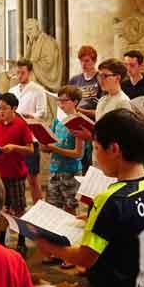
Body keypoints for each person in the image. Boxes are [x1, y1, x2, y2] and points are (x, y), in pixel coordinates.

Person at [36, 109, 144, 287]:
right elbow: (142, 233)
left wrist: (49, 246)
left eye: (96, 148)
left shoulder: (110, 200)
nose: (96, 155)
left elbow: (86, 257)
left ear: (114, 149)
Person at [41, 85, 86, 268]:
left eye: (64, 100)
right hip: (55, 169)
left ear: (74, 102)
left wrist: (54, 149)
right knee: (54, 211)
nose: (60, 104)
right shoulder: (57, 121)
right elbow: (49, 144)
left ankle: (70, 253)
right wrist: (45, 145)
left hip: (70, 171)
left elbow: (78, 153)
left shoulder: (78, 122)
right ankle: (56, 250)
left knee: (69, 212)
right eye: (59, 100)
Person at [0, 93, 35, 253]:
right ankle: (1, 240)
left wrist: (15, 147)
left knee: (18, 208)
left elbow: (30, 149)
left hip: (16, 174)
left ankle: (21, 241)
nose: (1, 112)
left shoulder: (21, 125)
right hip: (0, 172)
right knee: (3, 208)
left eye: (4, 108)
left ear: (14, 108)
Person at [9, 58, 49, 204]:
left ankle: (38, 211)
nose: (20, 76)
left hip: (30, 138)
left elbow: (42, 113)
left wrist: (30, 116)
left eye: (23, 73)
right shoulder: (12, 90)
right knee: (14, 178)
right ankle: (17, 208)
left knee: (33, 178)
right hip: (14, 138)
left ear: (30, 72)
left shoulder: (38, 90)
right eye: (18, 72)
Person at [69, 45, 103, 118]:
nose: (83, 64)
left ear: (95, 61)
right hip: (76, 119)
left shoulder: (101, 79)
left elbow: (103, 111)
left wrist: (81, 111)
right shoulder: (74, 80)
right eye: (81, 61)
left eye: (87, 61)